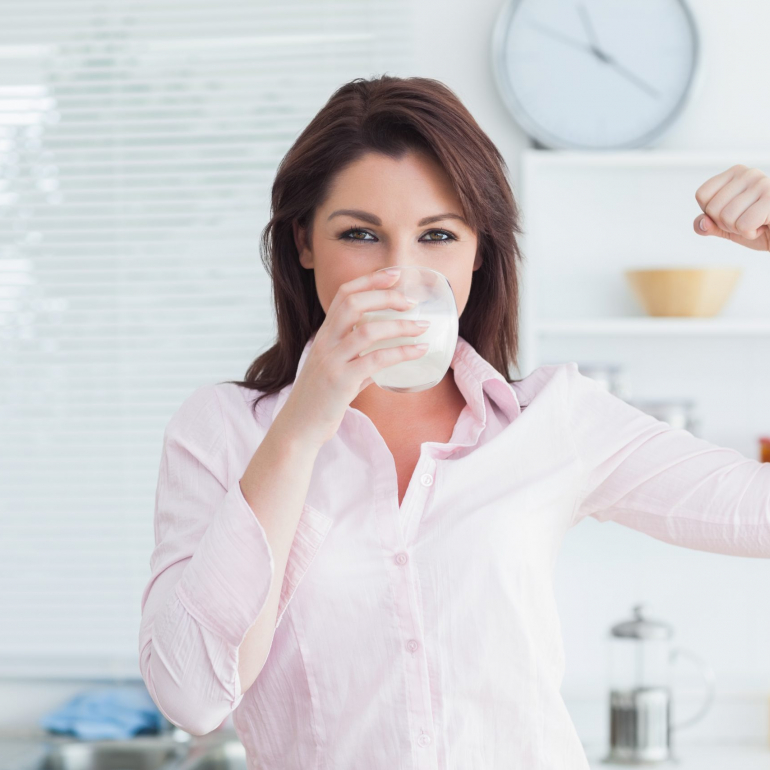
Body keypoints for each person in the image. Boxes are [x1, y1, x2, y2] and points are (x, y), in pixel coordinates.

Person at [138, 75, 770, 769]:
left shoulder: (554, 422)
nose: (399, 274)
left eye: (437, 235)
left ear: (478, 250)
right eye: (360, 235)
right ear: (304, 243)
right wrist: (303, 424)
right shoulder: (224, 432)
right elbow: (192, 697)